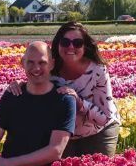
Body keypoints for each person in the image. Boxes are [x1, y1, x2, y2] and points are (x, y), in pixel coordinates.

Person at [9, 22, 122, 157]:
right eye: (65, 42)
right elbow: (35, 85)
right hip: (63, 134)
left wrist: (79, 102)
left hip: (98, 131)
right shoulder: (50, 68)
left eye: (77, 43)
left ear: (85, 46)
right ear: (58, 44)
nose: (71, 47)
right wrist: (20, 85)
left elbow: (104, 118)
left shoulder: (97, 70)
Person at [0, 41, 76, 166]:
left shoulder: (64, 100)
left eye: (42, 63)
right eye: (30, 62)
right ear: (22, 63)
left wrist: (8, 164)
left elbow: (55, 150)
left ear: (52, 64)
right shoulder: (13, 95)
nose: (36, 68)